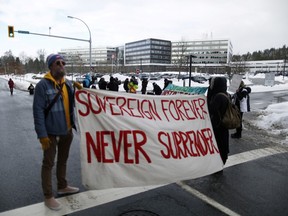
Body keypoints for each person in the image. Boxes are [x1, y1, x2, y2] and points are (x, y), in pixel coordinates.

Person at [33, 54, 81, 211]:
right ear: (51, 66)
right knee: (48, 164)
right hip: (50, 133)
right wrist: (42, 135)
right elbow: (38, 111)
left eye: (63, 63)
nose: (62, 65)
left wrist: (82, 91)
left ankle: (62, 186)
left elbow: (74, 104)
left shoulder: (67, 84)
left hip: (67, 130)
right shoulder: (42, 86)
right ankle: (48, 196)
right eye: (57, 63)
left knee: (63, 160)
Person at [207, 77, 230, 165]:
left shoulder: (218, 97)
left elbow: (211, 109)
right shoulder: (226, 94)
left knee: (218, 144)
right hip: (224, 124)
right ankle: (222, 160)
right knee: (223, 144)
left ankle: (219, 163)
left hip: (217, 125)